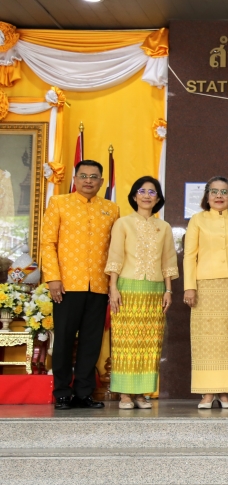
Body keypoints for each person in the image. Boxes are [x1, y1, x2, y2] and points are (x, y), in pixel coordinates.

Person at [40, 159, 120, 410]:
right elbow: (48, 243)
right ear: (74, 179)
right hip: (66, 284)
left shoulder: (111, 209)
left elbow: (114, 250)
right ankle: (62, 392)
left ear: (101, 181)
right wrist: (53, 278)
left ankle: (84, 392)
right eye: (83, 176)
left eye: (94, 177)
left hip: (98, 285)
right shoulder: (59, 203)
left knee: (91, 341)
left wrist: (112, 284)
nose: (88, 180)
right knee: (63, 339)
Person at [105, 177, 178, 410]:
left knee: (150, 343)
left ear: (158, 198)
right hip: (127, 287)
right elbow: (115, 257)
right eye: (142, 191)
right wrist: (113, 288)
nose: (147, 195)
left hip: (155, 290)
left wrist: (168, 290)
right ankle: (125, 394)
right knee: (126, 342)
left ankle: (141, 394)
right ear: (135, 196)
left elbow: (168, 260)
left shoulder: (164, 227)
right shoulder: (123, 223)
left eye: (152, 192)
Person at [183, 176, 228, 409]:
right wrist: (189, 287)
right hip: (204, 285)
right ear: (206, 197)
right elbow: (189, 256)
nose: (219, 196)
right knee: (205, 339)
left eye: (224, 192)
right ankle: (207, 392)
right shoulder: (197, 220)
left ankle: (225, 393)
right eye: (214, 192)